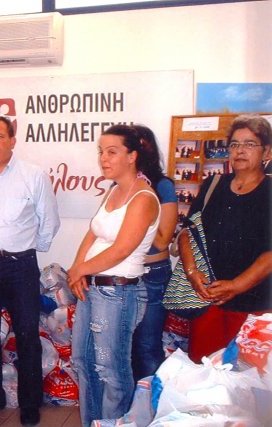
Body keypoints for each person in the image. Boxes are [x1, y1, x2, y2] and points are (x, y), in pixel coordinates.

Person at [0, 116, 60, 426]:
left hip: (20, 265)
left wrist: (26, 248)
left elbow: (49, 220)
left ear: (12, 140)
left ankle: (31, 403)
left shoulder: (33, 175)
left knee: (27, 334)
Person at [67, 124, 160, 426]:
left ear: (132, 156)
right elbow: (92, 233)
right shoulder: (113, 190)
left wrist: (80, 270)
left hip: (119, 292)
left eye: (112, 152)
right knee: (83, 362)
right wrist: (77, 270)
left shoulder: (144, 197)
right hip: (93, 288)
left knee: (112, 371)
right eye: (101, 152)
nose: (103, 159)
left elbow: (122, 249)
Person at [180, 114, 271, 362]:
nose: (240, 150)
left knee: (247, 375)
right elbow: (188, 231)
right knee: (203, 369)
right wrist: (192, 272)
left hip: (256, 306)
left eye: (250, 144)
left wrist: (237, 286)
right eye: (234, 144)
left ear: (267, 152)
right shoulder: (213, 184)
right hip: (207, 300)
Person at [131, 125, 178, 381]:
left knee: (147, 346)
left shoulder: (162, 185)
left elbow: (162, 241)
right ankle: (131, 403)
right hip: (124, 275)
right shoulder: (120, 187)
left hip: (152, 273)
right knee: (126, 347)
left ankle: (151, 403)